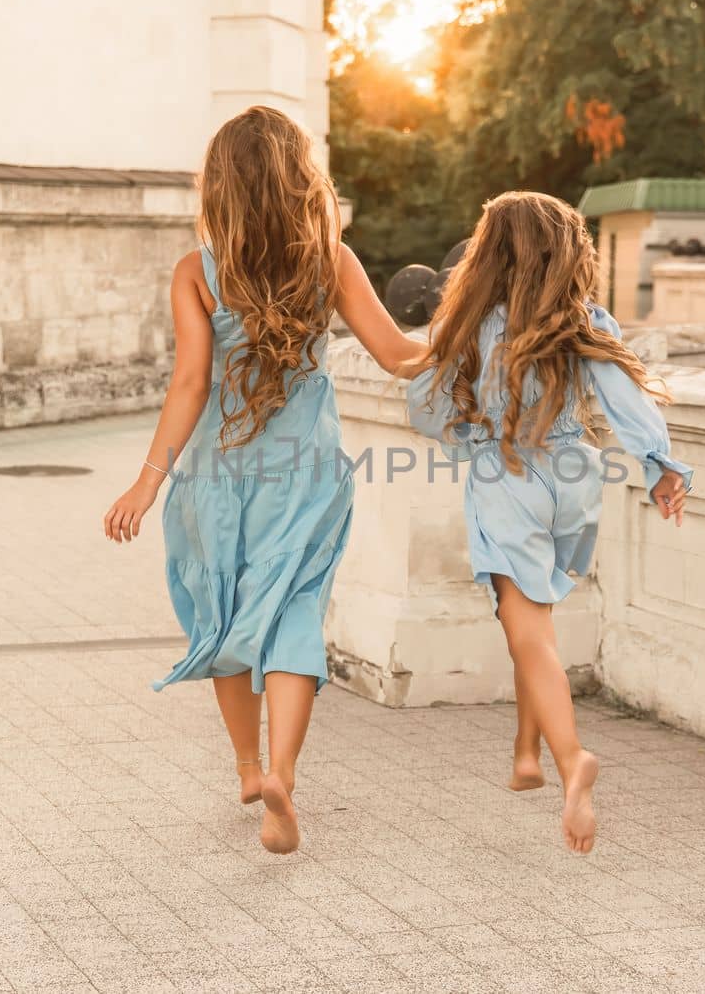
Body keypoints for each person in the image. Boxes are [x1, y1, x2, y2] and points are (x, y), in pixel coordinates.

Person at [102, 106, 422, 854]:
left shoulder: (197, 274)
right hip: (304, 476)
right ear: (301, 181)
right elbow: (399, 355)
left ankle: (248, 768)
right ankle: (283, 769)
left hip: (217, 479)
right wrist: (471, 341)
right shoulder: (332, 262)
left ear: (219, 188)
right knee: (295, 613)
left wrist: (146, 485)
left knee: (225, 616)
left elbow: (188, 384)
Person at [407, 191, 692, 854]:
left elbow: (423, 405)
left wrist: (472, 433)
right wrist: (663, 468)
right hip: (575, 479)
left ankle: (572, 761)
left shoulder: (469, 323)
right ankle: (526, 753)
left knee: (529, 633)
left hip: (508, 477)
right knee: (535, 625)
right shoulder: (586, 320)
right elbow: (627, 402)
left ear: (489, 252)